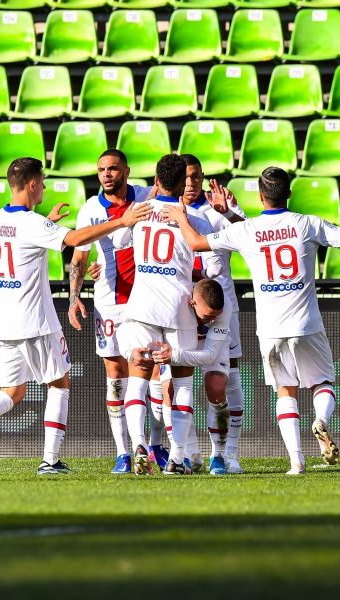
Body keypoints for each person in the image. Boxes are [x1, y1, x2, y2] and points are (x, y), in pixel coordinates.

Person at [164, 166, 340, 474]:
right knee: (323, 382)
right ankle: (321, 421)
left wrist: (180, 217)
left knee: (285, 391)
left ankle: (296, 463)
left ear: (261, 197)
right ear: (289, 194)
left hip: (270, 329)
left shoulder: (248, 230)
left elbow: (196, 243)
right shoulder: (307, 224)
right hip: (306, 323)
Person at [0, 158, 152, 476]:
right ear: (30, 184)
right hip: (37, 321)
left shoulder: (0, 218)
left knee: (12, 392)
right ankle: (49, 460)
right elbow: (75, 241)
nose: (43, 186)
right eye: (41, 181)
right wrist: (122, 222)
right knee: (59, 384)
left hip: (5, 323)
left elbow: (32, 237)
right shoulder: (32, 224)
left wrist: (48, 223)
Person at [114, 154, 220, 475]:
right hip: (178, 305)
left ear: (157, 181)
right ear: (182, 183)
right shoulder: (193, 218)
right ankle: (176, 457)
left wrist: (140, 209)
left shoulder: (139, 212)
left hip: (143, 304)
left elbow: (119, 241)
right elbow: (210, 258)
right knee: (183, 379)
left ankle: (138, 445)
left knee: (138, 377)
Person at [67, 149, 155, 474]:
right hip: (107, 303)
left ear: (127, 171)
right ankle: (123, 452)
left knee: (150, 374)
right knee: (116, 375)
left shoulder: (146, 198)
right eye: (102, 169)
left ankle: (152, 444)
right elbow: (78, 259)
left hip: (145, 303)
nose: (107, 174)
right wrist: (74, 297)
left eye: (113, 169)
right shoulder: (90, 210)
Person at [178, 154, 247, 475]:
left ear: (203, 178)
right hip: (183, 310)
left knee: (224, 380)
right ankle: (189, 454)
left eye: (196, 177)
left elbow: (253, 236)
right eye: (185, 177)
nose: (190, 183)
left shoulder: (217, 212)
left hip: (221, 310)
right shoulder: (167, 213)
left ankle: (226, 454)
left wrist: (230, 212)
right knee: (172, 384)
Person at [132, 279, 231, 474]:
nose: (211, 320)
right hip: (180, 341)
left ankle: (219, 455)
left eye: (214, 317)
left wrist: (175, 356)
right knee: (169, 391)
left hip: (210, 346)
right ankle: (185, 455)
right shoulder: (176, 299)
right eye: (207, 316)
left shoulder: (223, 307)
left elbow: (210, 354)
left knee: (217, 388)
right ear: (192, 302)